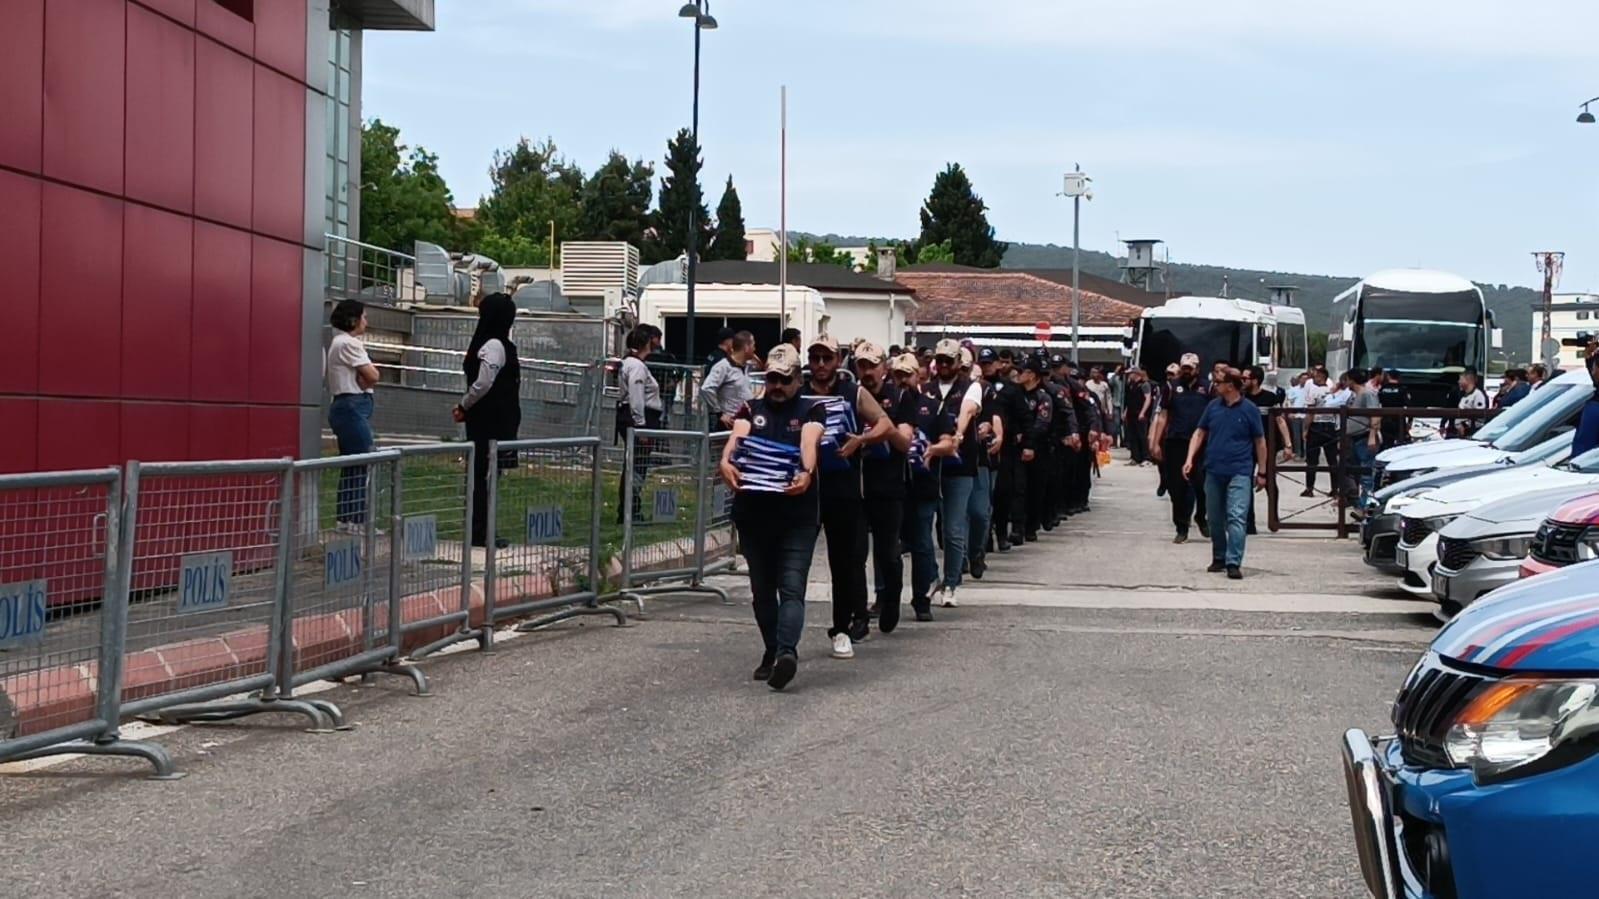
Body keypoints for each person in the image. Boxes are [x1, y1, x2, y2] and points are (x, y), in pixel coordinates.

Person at [718, 344, 825, 691]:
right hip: (754, 513)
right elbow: (736, 439)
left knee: (791, 586)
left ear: (798, 380)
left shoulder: (812, 409)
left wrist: (806, 471)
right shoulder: (751, 407)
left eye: (784, 379)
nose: (777, 386)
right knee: (762, 590)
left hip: (797, 513)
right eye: (772, 379)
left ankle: (786, 653)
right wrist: (725, 462)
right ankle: (772, 650)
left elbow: (809, 442)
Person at [804, 334, 893, 658]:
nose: (820, 364)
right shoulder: (797, 390)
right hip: (803, 488)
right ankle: (784, 636)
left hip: (843, 487)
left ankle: (842, 627)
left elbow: (884, 423)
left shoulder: (852, 391)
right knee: (794, 562)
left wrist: (861, 440)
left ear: (837, 359)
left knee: (843, 562)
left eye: (827, 358)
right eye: (815, 358)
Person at [452, 293, 521, 549]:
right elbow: (483, 383)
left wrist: (465, 406)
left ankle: (482, 528)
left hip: (489, 420)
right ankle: (480, 530)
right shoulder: (495, 346)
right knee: (484, 476)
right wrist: (465, 404)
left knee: (485, 476)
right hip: (491, 421)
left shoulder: (489, 343)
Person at [1183, 368, 1266, 579]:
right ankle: (1219, 556)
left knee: (1236, 516)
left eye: (1219, 382)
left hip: (1240, 470)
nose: (1215, 385)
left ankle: (1233, 561)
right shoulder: (1213, 406)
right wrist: (1190, 458)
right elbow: (1200, 432)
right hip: (1214, 470)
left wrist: (1262, 472)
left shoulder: (1249, 409)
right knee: (1214, 518)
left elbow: (1260, 441)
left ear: (1230, 385)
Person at [856, 343, 916, 632]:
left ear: (884, 367)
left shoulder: (900, 396)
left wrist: (881, 427)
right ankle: (857, 614)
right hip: (855, 484)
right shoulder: (851, 396)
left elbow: (904, 442)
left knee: (887, 552)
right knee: (853, 553)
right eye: (862, 366)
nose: (867, 371)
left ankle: (890, 598)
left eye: (872, 365)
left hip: (888, 485)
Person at [924, 339, 984, 608]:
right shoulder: (926, 389)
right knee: (922, 527)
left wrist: (958, 435)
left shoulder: (970, 387)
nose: (944, 365)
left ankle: (951, 582)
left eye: (949, 360)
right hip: (929, 465)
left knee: (953, 528)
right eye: (941, 360)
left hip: (960, 466)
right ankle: (930, 577)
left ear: (959, 362)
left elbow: (967, 410)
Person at [326, 299, 381, 533]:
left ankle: (345, 518)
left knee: (350, 464)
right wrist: (369, 376)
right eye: (363, 317)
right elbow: (373, 375)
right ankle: (357, 520)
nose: (366, 321)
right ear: (353, 320)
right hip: (352, 405)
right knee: (362, 460)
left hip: (345, 405)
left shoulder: (338, 343)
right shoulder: (349, 343)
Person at [1150, 359, 1210, 543]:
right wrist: (1155, 442)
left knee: (1202, 484)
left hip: (1201, 443)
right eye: (1184, 368)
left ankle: (1201, 516)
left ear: (1197, 369)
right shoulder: (1171, 387)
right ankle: (1181, 527)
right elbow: (1162, 416)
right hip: (1176, 441)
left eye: (1190, 368)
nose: (1186, 371)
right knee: (1177, 487)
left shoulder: (1207, 387)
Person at [980, 348, 1030, 553]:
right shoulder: (975, 387)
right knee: (983, 496)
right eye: (983, 363)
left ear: (998, 365)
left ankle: (1001, 534)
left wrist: (1027, 443)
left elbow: (1024, 416)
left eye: (989, 363)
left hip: (1006, 448)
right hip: (980, 447)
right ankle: (983, 539)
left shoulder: (1010, 389)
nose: (987, 367)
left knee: (1002, 493)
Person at [615, 326, 663, 523]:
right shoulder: (637, 366)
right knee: (637, 465)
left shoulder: (632, 363)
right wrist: (641, 426)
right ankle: (630, 510)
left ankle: (629, 508)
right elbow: (636, 397)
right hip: (639, 419)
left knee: (635, 464)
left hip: (635, 417)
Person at [967, 349, 1005, 578]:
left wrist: (996, 434)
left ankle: (976, 553)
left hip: (980, 459)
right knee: (956, 516)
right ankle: (959, 560)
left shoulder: (987, 391)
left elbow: (994, 418)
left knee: (980, 513)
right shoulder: (941, 393)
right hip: (953, 462)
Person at [1241, 365, 1291, 535]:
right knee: (1245, 483)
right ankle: (1249, 522)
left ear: (1255, 380)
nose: (1242, 381)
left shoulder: (1270, 398)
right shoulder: (1242, 398)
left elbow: (1280, 420)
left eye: (1245, 378)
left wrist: (1288, 444)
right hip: (1246, 446)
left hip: (1268, 445)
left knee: (1270, 482)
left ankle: (1273, 518)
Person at [1015, 356, 1055, 542]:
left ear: (1033, 376)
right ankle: (1018, 527)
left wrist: (1027, 437)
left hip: (1039, 448)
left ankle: (1031, 526)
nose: (1020, 375)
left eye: (1024, 372)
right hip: (1017, 448)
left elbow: (1042, 423)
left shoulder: (1043, 397)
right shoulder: (1017, 395)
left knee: (1035, 489)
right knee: (1018, 488)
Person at [1339, 368, 1381, 504]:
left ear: (1351, 380)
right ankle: (1355, 501)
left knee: (1366, 473)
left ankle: (1365, 504)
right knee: (1352, 471)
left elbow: (1375, 415)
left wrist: (1372, 436)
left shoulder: (1367, 394)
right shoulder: (1354, 396)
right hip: (1353, 438)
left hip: (1364, 436)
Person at [700, 330, 755, 431]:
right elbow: (706, 388)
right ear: (746, 348)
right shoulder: (723, 366)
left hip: (744, 424)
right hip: (728, 425)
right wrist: (720, 413)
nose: (755, 349)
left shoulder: (746, 367)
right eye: (753, 345)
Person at [1300, 367, 1337, 498]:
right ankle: (1335, 489)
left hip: (1316, 426)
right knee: (1332, 460)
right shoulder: (1333, 392)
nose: (1313, 378)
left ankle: (1309, 488)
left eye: (1316, 376)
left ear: (1321, 376)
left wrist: (1305, 429)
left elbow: (1310, 412)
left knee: (1312, 460)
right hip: (1331, 425)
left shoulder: (1313, 391)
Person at [1571, 349, 1599, 458]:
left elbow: (1583, 450)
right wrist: (1589, 358)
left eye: (1594, 368)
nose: (1593, 372)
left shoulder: (1594, 408)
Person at [1377, 369, 1412, 451]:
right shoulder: (1402, 389)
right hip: (1399, 419)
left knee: (1386, 443)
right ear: (1399, 377)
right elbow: (1409, 406)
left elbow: (1378, 404)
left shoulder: (1382, 389)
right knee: (1401, 444)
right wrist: (1410, 421)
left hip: (1385, 419)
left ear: (1388, 377)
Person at [1454, 370, 1489, 437]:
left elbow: (1479, 417)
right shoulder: (1464, 396)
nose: (1459, 382)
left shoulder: (1477, 395)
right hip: (1462, 433)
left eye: (1461, 379)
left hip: (1471, 433)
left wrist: (1465, 426)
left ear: (1468, 381)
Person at [1283, 372, 1308, 458]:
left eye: (1306, 379)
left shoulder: (1310, 389)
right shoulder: (1294, 390)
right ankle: (1297, 453)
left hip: (1306, 416)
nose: (1304, 380)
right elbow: (1289, 401)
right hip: (1296, 415)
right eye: (1303, 378)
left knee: (1305, 436)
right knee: (1296, 436)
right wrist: (1290, 412)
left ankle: (1306, 454)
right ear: (1299, 379)